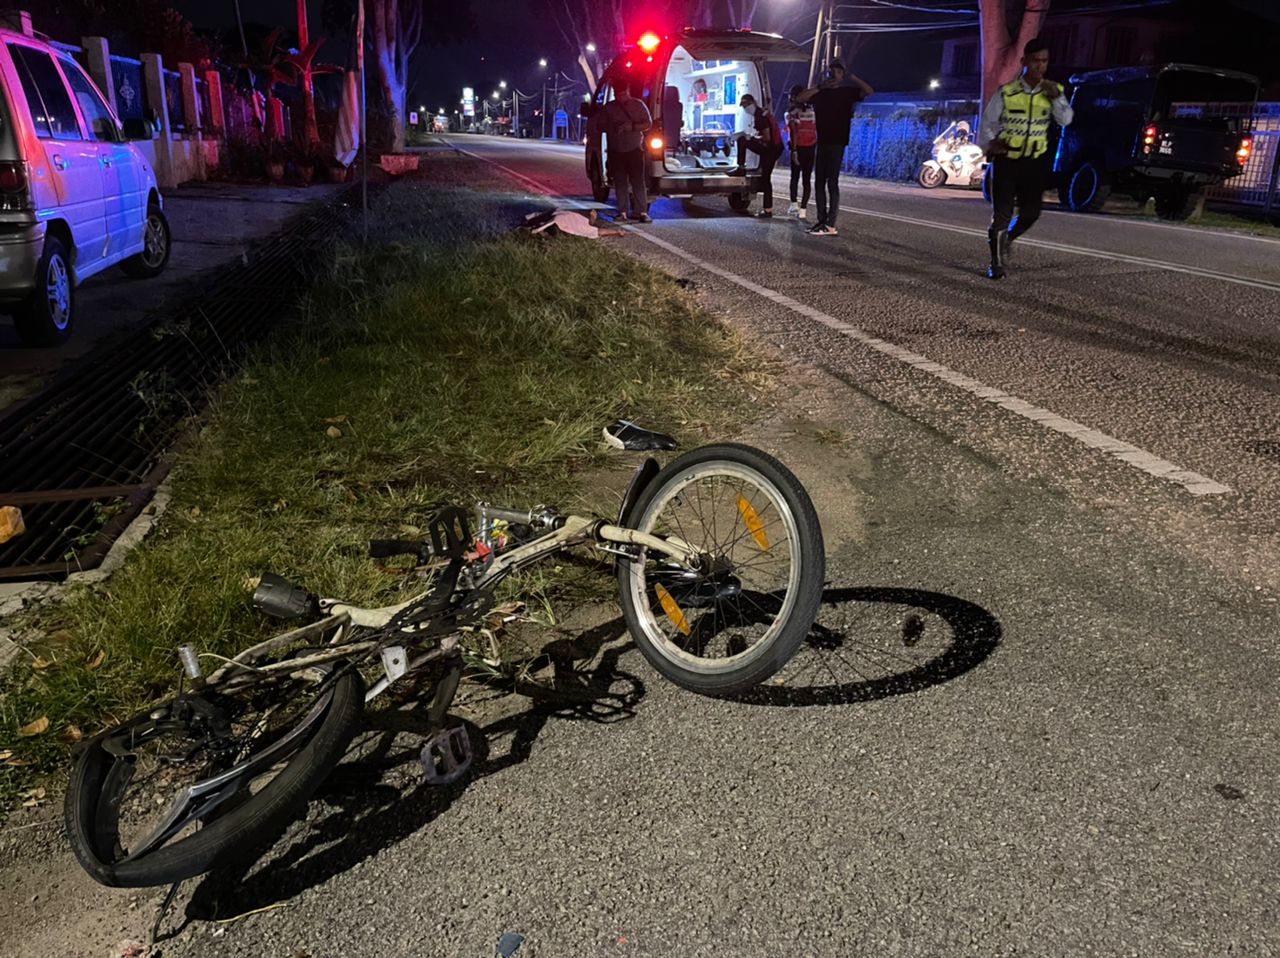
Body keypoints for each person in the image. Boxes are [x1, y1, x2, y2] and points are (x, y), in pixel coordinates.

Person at [978, 37, 1073, 278]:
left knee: (1032, 213)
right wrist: (991, 143)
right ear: (1024, 61)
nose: (1040, 66)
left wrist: (1057, 99)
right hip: (1007, 161)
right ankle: (996, 264)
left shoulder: (1053, 91)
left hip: (1035, 163)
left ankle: (1008, 238)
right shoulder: (1007, 92)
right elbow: (988, 123)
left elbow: (1066, 120)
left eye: (1045, 61)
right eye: (1035, 61)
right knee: (1002, 213)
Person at [793, 60, 874, 236]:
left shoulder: (847, 92)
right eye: (831, 72)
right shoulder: (821, 93)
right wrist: (820, 86)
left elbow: (869, 91)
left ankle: (830, 224)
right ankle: (821, 221)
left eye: (837, 72)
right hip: (822, 142)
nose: (833, 75)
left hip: (838, 142)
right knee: (819, 182)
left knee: (832, 182)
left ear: (842, 75)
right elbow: (800, 98)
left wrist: (852, 77)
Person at [599, 78, 653, 223]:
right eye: (618, 95)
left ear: (628, 91)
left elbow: (648, 123)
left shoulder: (638, 105)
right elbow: (600, 126)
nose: (621, 98)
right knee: (620, 182)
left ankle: (641, 212)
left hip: (635, 149)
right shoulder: (609, 108)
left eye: (623, 94)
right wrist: (614, 127)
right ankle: (622, 212)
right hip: (616, 150)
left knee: (638, 181)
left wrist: (632, 127)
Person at [731, 94, 784, 217]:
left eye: (745, 105)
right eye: (743, 106)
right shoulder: (760, 113)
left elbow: (767, 137)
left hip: (771, 149)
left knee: (742, 140)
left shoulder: (760, 116)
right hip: (773, 148)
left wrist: (752, 137)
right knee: (765, 178)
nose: (745, 108)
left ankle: (741, 167)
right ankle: (768, 209)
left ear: (752, 103)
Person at [785, 85, 817, 220]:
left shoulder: (791, 113)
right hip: (811, 148)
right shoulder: (813, 112)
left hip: (798, 148)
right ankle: (803, 210)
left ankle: (794, 205)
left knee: (794, 177)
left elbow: (792, 133)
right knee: (806, 180)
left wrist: (794, 150)